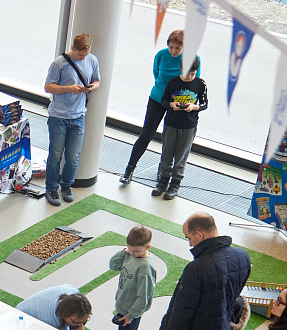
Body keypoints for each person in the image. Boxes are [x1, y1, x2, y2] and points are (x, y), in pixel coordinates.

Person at [119, 30, 198, 185]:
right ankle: (129, 170)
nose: (173, 51)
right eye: (171, 47)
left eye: (178, 48)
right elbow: (157, 75)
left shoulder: (193, 59)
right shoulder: (161, 55)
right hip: (157, 99)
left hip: (178, 103)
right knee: (146, 134)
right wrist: (165, 94)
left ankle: (163, 172)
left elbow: (194, 83)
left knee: (170, 139)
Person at [44, 34, 100, 207]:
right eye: (81, 55)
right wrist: (69, 88)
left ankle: (67, 186)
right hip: (58, 117)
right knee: (55, 155)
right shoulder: (59, 63)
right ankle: (51, 187)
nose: (83, 58)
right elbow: (48, 87)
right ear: (73, 48)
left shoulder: (92, 60)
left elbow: (97, 81)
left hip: (78, 116)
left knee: (73, 156)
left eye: (86, 54)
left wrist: (91, 87)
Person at [106, 226, 157, 330]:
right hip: (123, 307)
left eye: (136, 251)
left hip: (131, 312)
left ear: (147, 247)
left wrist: (130, 316)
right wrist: (124, 252)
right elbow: (113, 265)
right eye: (130, 249)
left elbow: (144, 297)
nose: (132, 253)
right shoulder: (129, 255)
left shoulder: (145, 268)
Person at [155, 58, 208, 201]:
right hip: (171, 123)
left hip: (189, 125)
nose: (189, 77)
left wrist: (193, 107)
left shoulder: (200, 84)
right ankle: (163, 181)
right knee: (167, 153)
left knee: (181, 157)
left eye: (193, 74)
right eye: (187, 74)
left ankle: (175, 184)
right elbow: (164, 100)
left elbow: (204, 104)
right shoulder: (173, 82)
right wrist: (172, 105)